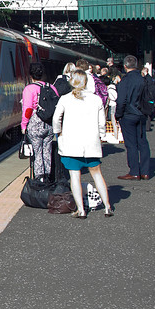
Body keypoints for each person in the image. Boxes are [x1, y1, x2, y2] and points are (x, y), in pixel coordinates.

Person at [52, 69, 114, 219]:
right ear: (86, 82)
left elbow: (56, 119)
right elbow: (101, 123)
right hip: (91, 144)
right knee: (97, 174)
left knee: (75, 176)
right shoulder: (96, 99)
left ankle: (81, 210)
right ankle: (107, 207)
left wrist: (58, 133)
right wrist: (101, 136)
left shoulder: (65, 99)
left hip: (71, 144)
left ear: (71, 82)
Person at [115, 55, 151, 180]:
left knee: (131, 144)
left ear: (125, 66)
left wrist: (118, 115)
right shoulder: (143, 79)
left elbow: (121, 101)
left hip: (128, 115)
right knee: (143, 142)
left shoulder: (125, 80)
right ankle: (145, 171)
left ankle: (134, 171)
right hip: (141, 114)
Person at [21, 63, 58, 181]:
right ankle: (47, 176)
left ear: (31, 74)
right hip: (49, 123)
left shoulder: (29, 89)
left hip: (35, 123)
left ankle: (39, 178)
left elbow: (27, 109)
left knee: (37, 152)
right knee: (47, 150)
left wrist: (23, 125)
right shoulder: (52, 87)